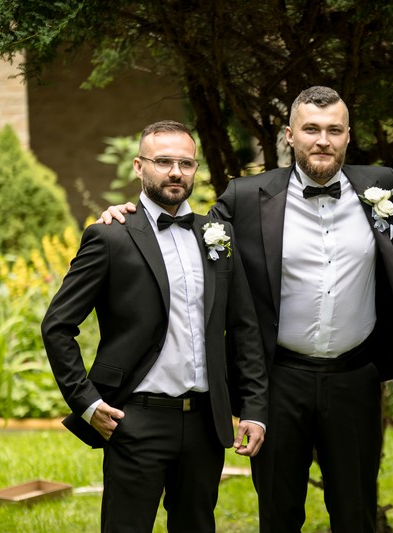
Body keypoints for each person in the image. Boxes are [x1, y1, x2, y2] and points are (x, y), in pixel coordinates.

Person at [100, 87, 393, 533]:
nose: (323, 140)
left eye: (334, 130)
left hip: (355, 378)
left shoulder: (383, 185)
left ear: (347, 135)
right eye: (311, 129)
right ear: (290, 135)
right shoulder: (247, 196)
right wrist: (130, 216)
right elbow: (188, 230)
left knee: (356, 512)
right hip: (279, 381)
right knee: (278, 513)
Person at [42, 120, 268, 532]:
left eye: (186, 163)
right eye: (163, 162)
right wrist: (87, 402)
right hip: (135, 418)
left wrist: (253, 407)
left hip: (205, 423)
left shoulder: (218, 235)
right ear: (139, 166)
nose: (175, 172)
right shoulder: (111, 236)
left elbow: (244, 328)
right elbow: (58, 325)